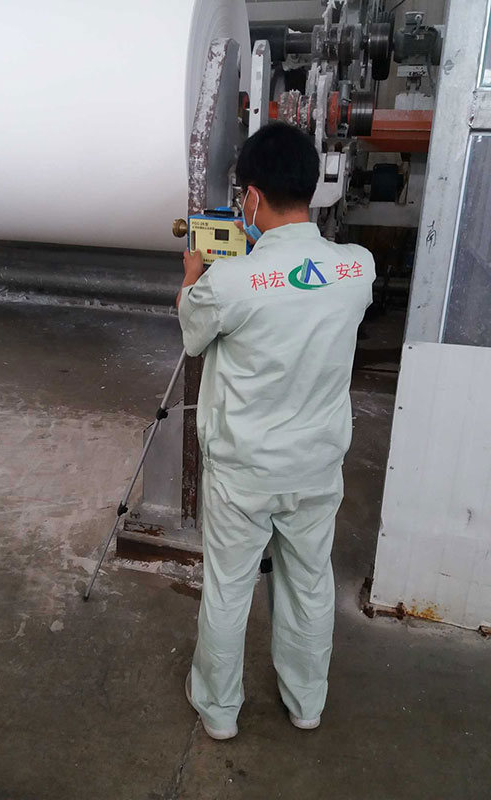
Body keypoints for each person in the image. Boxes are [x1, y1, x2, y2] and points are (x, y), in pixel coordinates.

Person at [176, 122, 375, 740]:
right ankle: (306, 703)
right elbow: (307, 290)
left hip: (245, 473)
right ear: (311, 190)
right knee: (310, 586)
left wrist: (193, 274)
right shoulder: (358, 268)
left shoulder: (229, 283)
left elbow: (193, 333)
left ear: (252, 197)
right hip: (316, 467)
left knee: (228, 590)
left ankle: (219, 712)